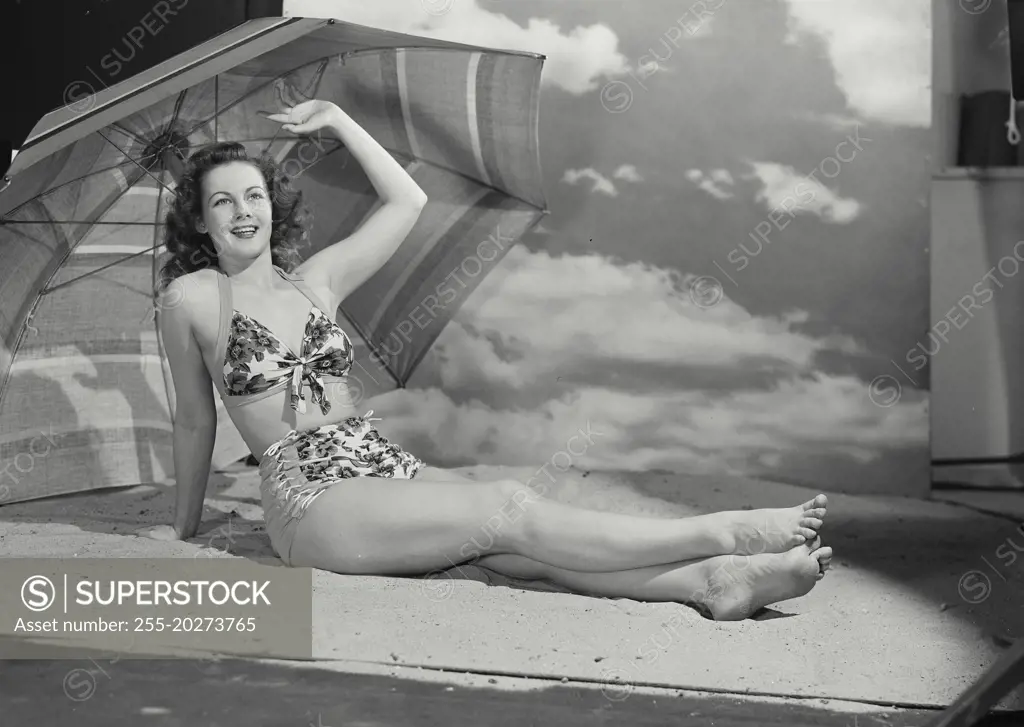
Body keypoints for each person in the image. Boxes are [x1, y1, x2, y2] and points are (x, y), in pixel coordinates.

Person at [138, 99, 833, 621]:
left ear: (273, 203)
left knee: (505, 543)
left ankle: (710, 582)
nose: (242, 211)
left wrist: (341, 120)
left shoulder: (315, 280)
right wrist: (186, 526)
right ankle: (722, 532)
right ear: (199, 221)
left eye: (254, 194)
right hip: (309, 500)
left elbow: (405, 199)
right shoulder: (194, 297)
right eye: (221, 202)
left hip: (379, 463)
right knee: (505, 508)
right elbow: (195, 423)